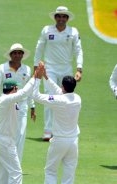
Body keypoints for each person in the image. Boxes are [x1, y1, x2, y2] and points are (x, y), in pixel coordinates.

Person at [33, 62, 81, 184]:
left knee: (50, 170)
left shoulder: (60, 101)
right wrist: (46, 76)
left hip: (59, 141)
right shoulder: (77, 99)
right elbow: (59, 92)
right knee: (69, 177)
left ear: (63, 86)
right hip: (73, 143)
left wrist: (38, 78)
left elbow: (37, 96)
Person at [34, 6, 83, 141]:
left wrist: (79, 68)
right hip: (50, 68)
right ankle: (48, 130)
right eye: (59, 16)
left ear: (67, 18)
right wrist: (35, 66)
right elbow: (39, 48)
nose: (61, 19)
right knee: (50, 97)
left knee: (66, 98)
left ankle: (63, 129)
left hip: (66, 68)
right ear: (55, 17)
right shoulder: (47, 30)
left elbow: (78, 50)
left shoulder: (73, 32)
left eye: (64, 16)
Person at [0, 77, 35, 184]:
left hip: (2, 139)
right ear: (14, 89)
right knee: (16, 173)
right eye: (17, 88)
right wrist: (35, 77)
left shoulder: (10, 101)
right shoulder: (5, 99)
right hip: (5, 141)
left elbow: (22, 96)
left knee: (3, 173)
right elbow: (23, 94)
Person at [0, 43, 36, 162]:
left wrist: (32, 106)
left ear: (22, 55)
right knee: (6, 134)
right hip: (6, 105)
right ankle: (4, 162)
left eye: (19, 53)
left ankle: (17, 165)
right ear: (10, 55)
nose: (17, 55)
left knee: (20, 135)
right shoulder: (2, 68)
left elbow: (29, 89)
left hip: (22, 105)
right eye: (14, 53)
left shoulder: (27, 69)